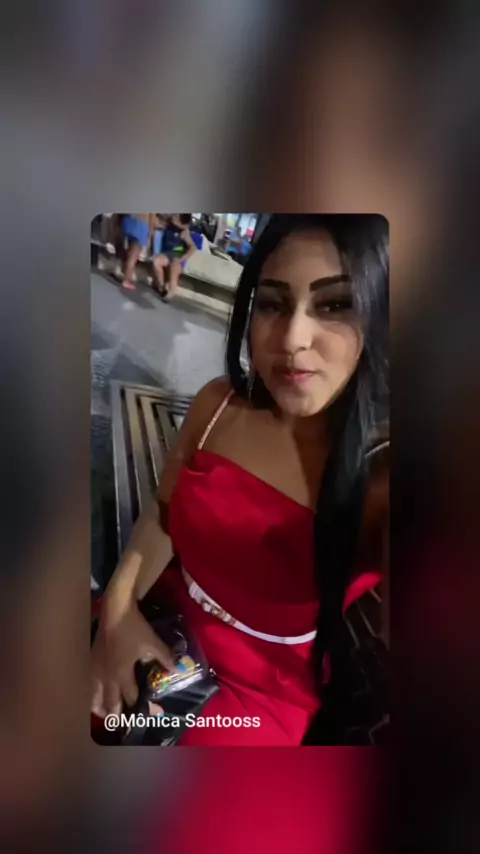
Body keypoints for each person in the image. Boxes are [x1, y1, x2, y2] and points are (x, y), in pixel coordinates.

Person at [91, 214, 389, 745]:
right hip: (160, 619)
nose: (293, 338)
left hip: (259, 691)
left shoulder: (380, 471)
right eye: (273, 304)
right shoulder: (218, 404)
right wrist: (117, 612)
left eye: (335, 305)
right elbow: (162, 514)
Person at [152, 214, 200, 300]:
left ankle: (171, 292)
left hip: (178, 257)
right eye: (174, 215)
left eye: (176, 216)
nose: (173, 216)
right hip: (167, 255)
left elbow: (193, 247)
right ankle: (161, 286)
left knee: (174, 266)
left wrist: (183, 258)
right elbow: (157, 221)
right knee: (156, 261)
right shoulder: (168, 225)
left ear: (180, 220)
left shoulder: (184, 232)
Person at [120, 213, 158, 290]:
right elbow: (152, 216)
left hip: (130, 220)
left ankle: (125, 272)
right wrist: (151, 232)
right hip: (141, 225)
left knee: (129, 251)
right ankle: (126, 279)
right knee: (134, 255)